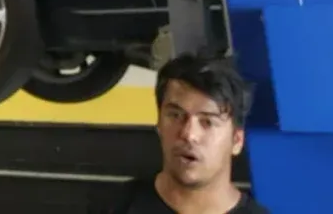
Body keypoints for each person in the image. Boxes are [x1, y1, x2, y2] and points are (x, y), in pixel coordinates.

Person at [104, 53, 269, 213]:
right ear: (159, 125)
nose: (189, 134)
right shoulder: (116, 206)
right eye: (176, 116)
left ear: (237, 140)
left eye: (207, 122)